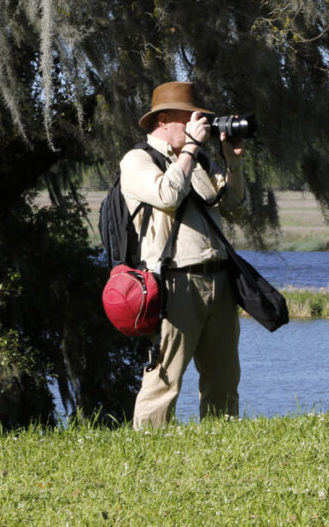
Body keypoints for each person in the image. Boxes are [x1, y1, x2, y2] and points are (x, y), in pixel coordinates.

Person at [120, 81, 248, 427]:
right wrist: (190, 149)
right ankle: (148, 455)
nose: (199, 125)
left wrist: (232, 162)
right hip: (174, 284)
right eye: (190, 118)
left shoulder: (200, 159)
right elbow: (167, 195)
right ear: (163, 120)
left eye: (201, 119)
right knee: (163, 381)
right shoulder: (137, 160)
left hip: (219, 279)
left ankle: (222, 448)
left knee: (224, 380)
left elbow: (235, 205)